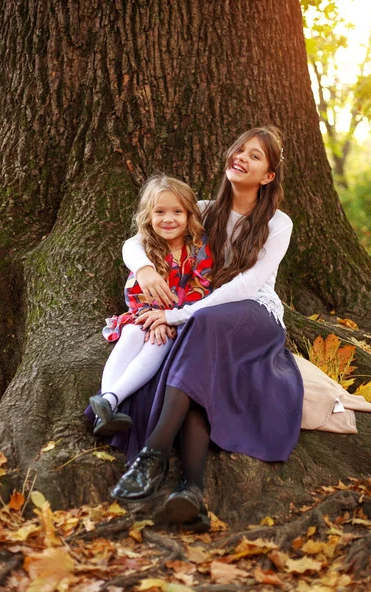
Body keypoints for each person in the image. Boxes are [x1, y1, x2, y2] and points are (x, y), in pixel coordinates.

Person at [108, 126, 304, 532]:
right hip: (204, 319)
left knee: (202, 327)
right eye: (240, 149)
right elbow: (137, 239)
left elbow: (247, 286)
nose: (242, 157)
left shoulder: (277, 223)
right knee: (197, 376)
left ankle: (153, 455)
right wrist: (143, 269)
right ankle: (191, 491)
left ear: (268, 176)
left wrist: (180, 315)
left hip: (253, 314)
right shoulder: (201, 209)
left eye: (255, 156)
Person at [89, 175, 213, 436]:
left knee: (160, 341)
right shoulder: (146, 249)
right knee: (133, 332)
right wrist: (149, 316)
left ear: (190, 214)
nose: (168, 219)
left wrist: (169, 317)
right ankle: (106, 404)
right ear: (148, 215)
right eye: (160, 212)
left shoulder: (198, 249)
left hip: (178, 319)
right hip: (144, 315)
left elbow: (201, 289)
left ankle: (110, 400)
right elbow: (136, 291)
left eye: (177, 211)